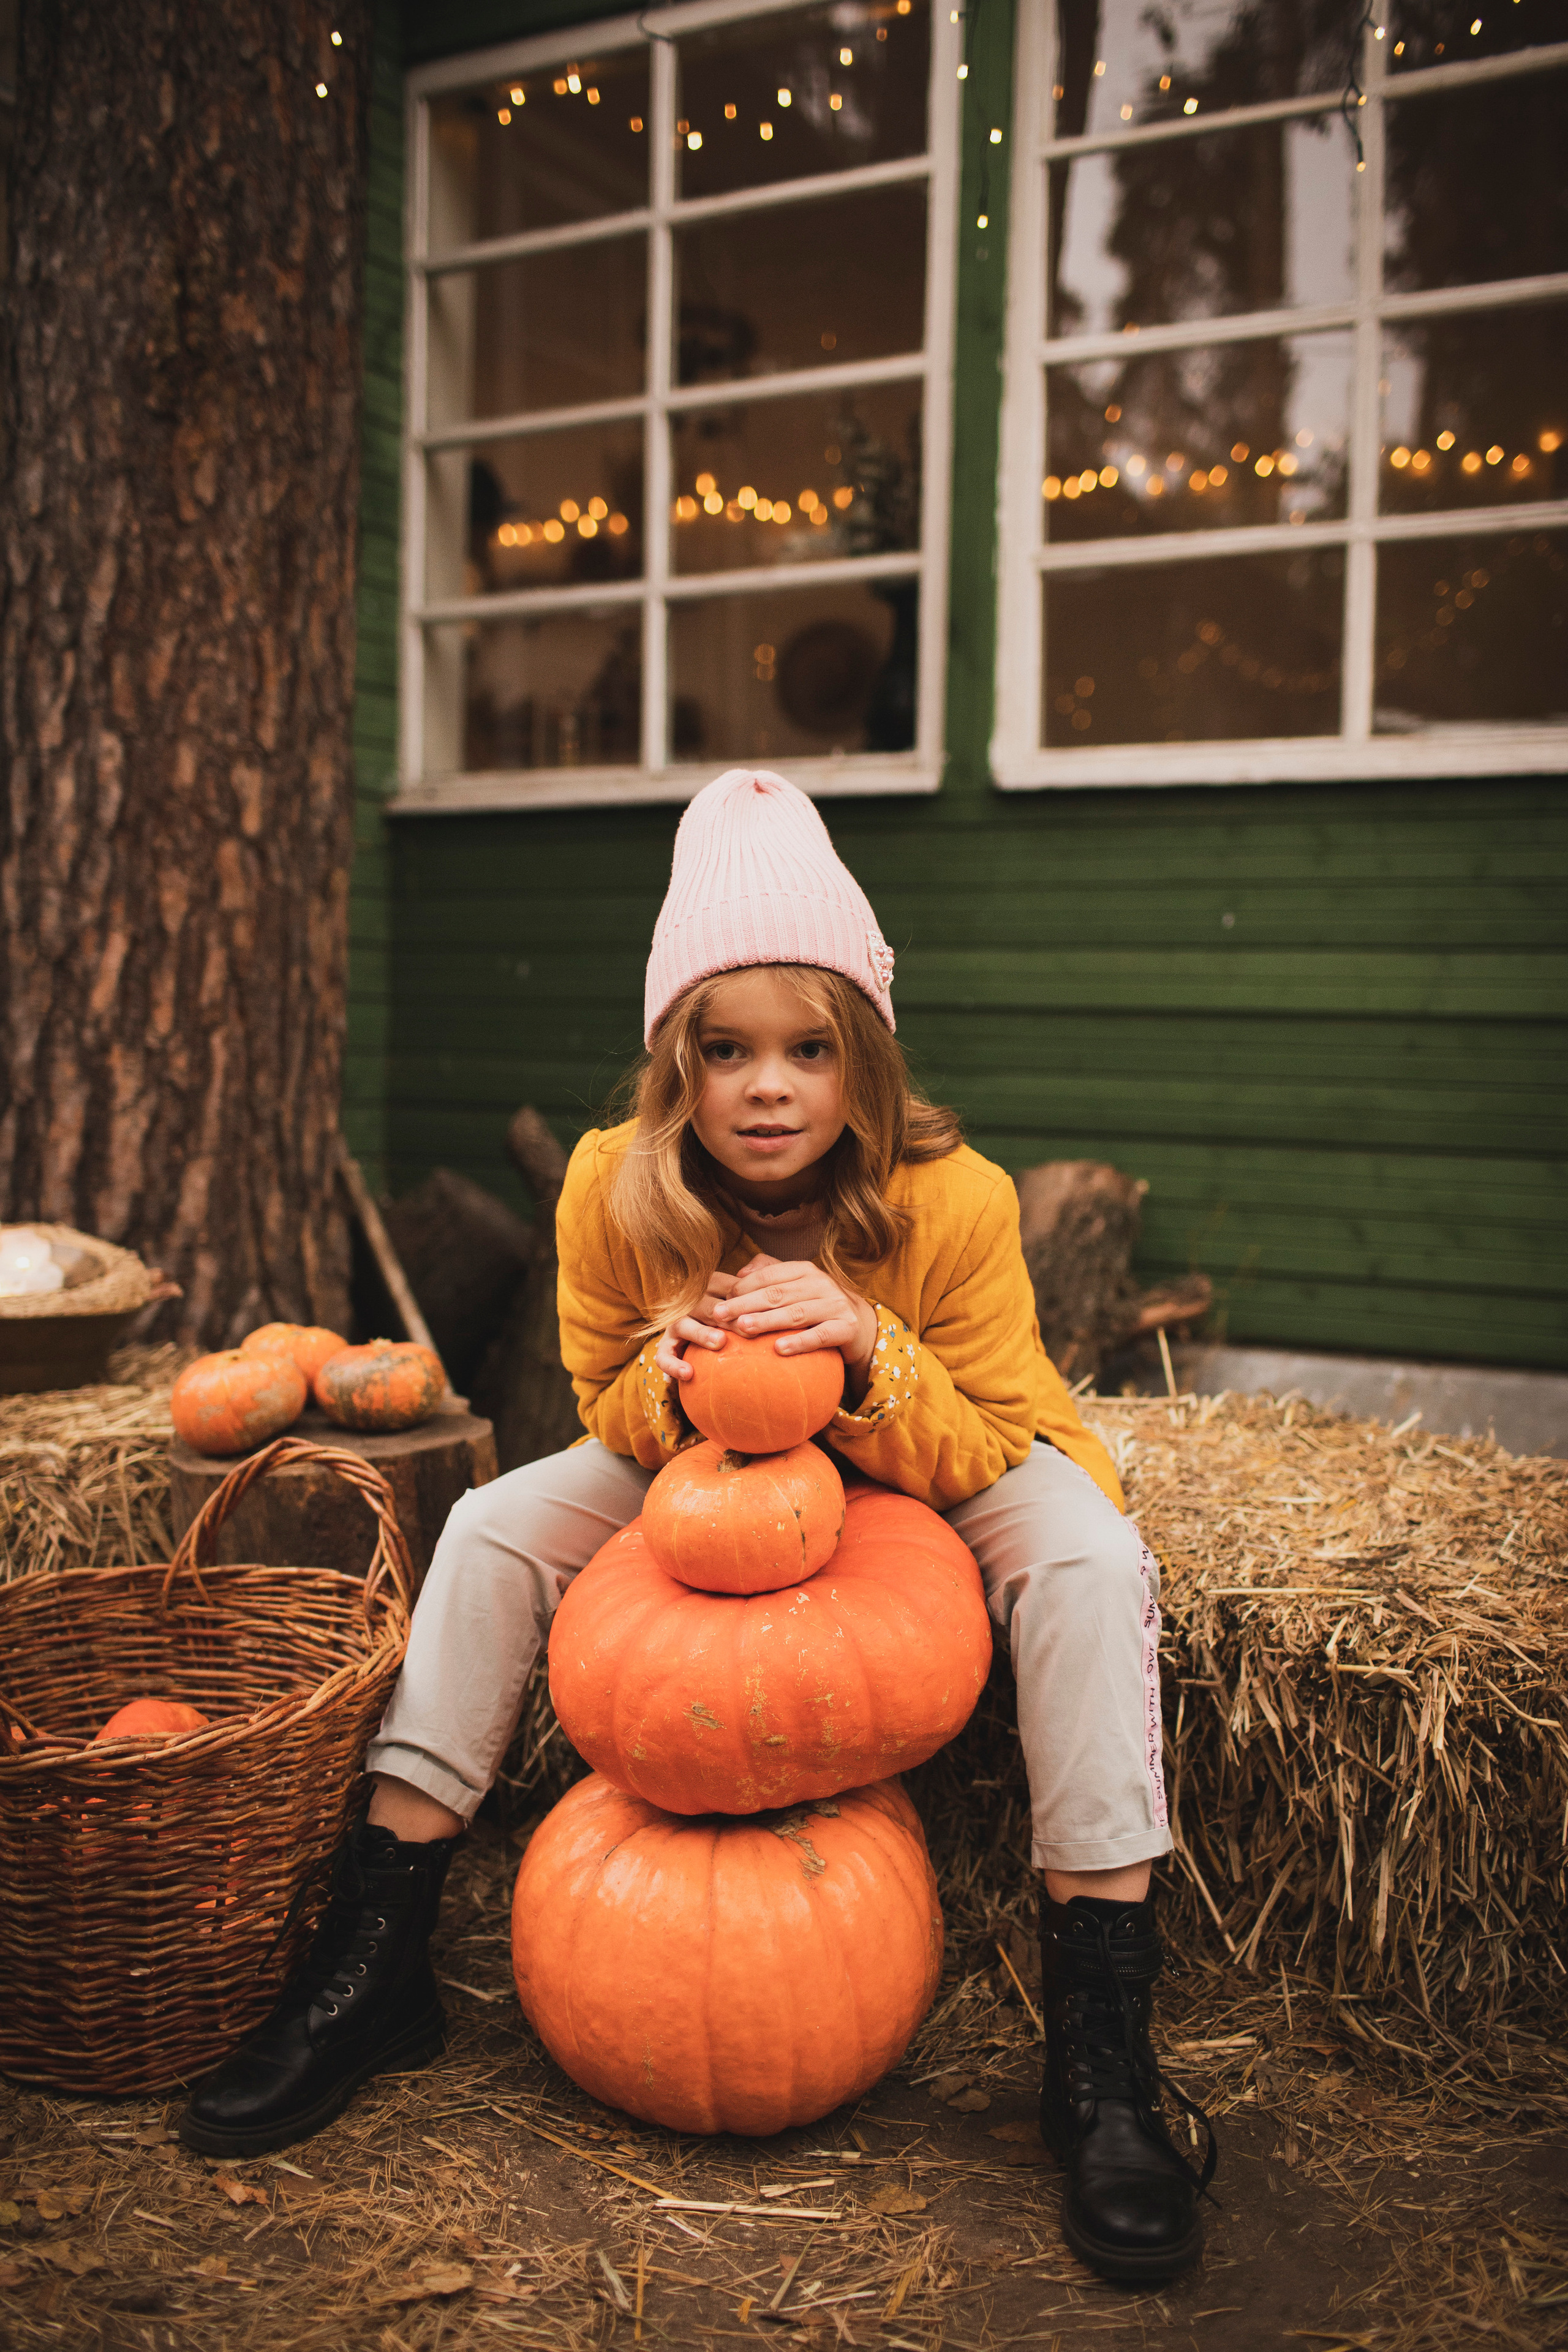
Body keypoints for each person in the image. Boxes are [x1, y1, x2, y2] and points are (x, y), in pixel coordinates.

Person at [179, 767, 1215, 2284]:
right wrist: (667, 1391)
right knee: (487, 1523)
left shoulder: (954, 1198)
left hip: (930, 1445)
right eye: (724, 1051)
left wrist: (865, 1347)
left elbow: (990, 1434)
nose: (768, 1086)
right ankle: (377, 1951)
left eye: (806, 1048)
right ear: (676, 1065)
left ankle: (1101, 2044)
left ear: (860, 1055)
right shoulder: (615, 1188)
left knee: (1083, 1555)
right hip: (715, 1465)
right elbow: (600, 1396)